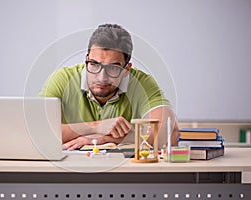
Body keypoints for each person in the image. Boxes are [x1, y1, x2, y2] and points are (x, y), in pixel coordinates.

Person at [39, 23, 179, 150]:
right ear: (86, 59)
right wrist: (96, 126)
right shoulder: (62, 80)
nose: (101, 77)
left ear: (127, 70)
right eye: (94, 64)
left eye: (113, 68)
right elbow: (38, 131)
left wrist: (103, 139)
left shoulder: (143, 83)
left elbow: (169, 133)